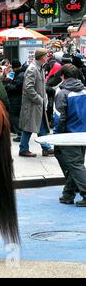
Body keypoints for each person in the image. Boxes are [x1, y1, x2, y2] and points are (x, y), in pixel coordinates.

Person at [53, 64, 86, 207]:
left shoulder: (62, 94)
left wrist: (56, 136)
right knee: (76, 164)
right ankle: (68, 193)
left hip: (69, 135)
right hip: (83, 134)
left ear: (63, 76)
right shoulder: (84, 91)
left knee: (75, 165)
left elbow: (59, 117)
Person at [18, 48, 54, 157]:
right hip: (32, 104)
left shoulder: (40, 68)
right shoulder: (32, 69)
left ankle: (45, 148)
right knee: (29, 127)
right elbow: (28, 88)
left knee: (40, 125)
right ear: (42, 57)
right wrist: (39, 99)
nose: (47, 57)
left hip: (38, 104)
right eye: (46, 55)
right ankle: (23, 149)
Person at [4, 59, 25, 142]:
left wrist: (8, 85)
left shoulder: (20, 75)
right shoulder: (19, 74)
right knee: (16, 116)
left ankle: (20, 133)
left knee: (13, 115)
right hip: (17, 98)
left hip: (16, 99)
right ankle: (19, 132)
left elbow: (17, 88)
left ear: (15, 67)